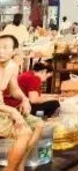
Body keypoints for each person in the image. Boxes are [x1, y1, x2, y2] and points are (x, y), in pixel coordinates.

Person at [0, 35, 44, 171]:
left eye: (5, 47)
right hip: (3, 111)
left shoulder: (11, 66)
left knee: (39, 124)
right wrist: (12, 111)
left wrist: (24, 99)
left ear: (14, 51)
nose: (0, 51)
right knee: (24, 132)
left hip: (3, 110)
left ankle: (20, 165)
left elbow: (14, 89)